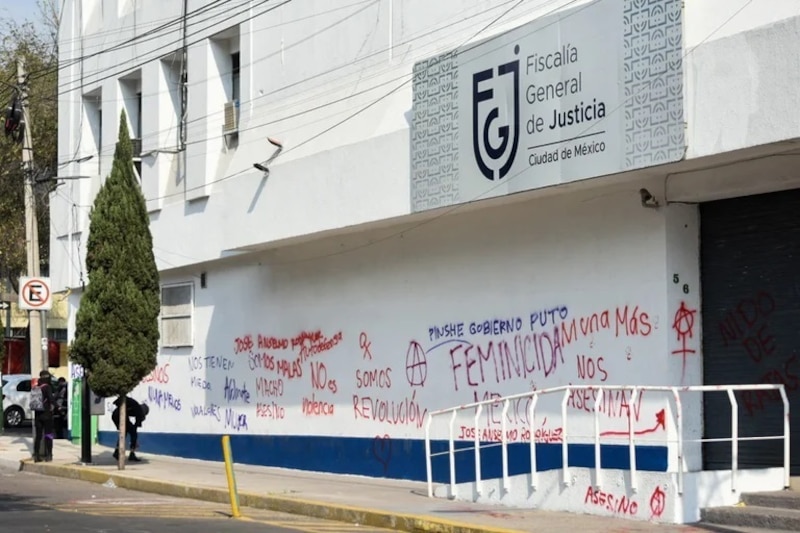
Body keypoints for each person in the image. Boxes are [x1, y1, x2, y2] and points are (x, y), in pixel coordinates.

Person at [111, 396, 147, 462]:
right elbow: (135, 427)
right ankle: (131, 454)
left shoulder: (135, 406)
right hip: (120, 416)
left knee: (123, 433)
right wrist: (134, 441)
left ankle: (117, 451)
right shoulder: (139, 411)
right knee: (131, 433)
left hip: (115, 415)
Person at [31, 370, 55, 463]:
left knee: (38, 436)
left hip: (38, 415)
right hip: (47, 415)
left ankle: (36, 456)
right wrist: (58, 406)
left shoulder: (36, 387)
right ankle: (49, 455)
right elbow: (51, 399)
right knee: (48, 435)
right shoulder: (47, 387)